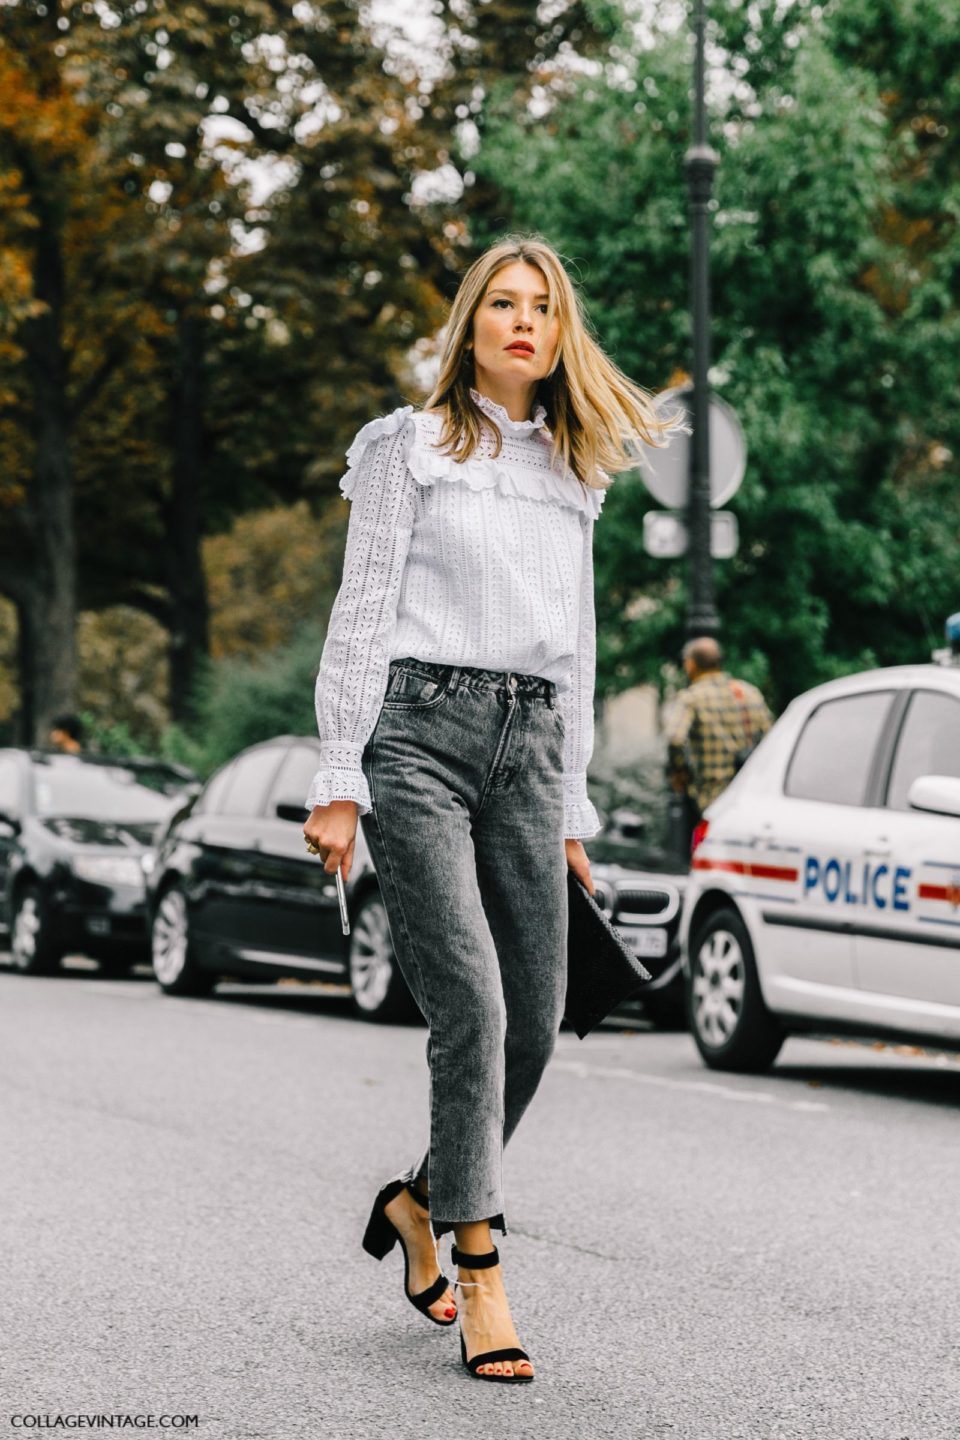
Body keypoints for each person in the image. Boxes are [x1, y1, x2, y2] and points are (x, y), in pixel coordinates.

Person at [303, 235, 678, 1384]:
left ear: (562, 336)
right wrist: (337, 778)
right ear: (470, 325)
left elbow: (578, 645)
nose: (525, 323)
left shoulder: (575, 471)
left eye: (545, 310)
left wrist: (569, 806)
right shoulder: (408, 448)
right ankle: (482, 1271)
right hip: (417, 739)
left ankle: (422, 1198)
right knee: (470, 1001)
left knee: (541, 1010)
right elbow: (363, 614)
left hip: (531, 746)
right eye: (503, 305)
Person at [666, 636, 773, 851]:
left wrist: (680, 771)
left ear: (691, 664)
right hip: (747, 794)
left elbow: (675, 738)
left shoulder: (692, 697)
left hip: (710, 796)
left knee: (708, 853)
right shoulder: (748, 692)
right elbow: (772, 736)